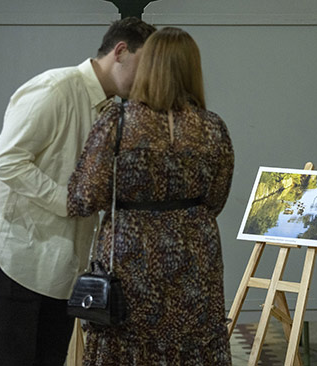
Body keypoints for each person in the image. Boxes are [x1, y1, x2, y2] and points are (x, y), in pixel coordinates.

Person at [0, 17, 156, 366]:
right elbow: (6, 162)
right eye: (147, 66)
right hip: (15, 256)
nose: (150, 79)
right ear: (121, 52)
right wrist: (67, 200)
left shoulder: (113, 109)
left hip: (61, 265)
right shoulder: (55, 89)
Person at [68, 27, 234, 365]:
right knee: (193, 341)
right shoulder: (213, 127)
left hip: (130, 257)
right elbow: (216, 198)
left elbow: (85, 196)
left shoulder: (118, 120)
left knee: (126, 344)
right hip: (196, 256)